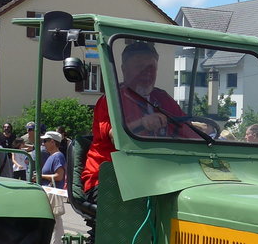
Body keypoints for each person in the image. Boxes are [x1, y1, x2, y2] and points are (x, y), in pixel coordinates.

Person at [82, 41, 197, 196]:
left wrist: (206, 131)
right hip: (110, 179)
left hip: (156, 177)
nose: (147, 73)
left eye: (152, 68)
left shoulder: (162, 98)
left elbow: (187, 129)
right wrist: (143, 123)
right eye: (140, 67)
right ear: (124, 70)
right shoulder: (111, 99)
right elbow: (116, 137)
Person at [41, 131, 67, 244]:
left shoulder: (57, 156)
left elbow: (59, 176)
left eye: (45, 141)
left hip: (53, 191)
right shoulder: (53, 156)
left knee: (55, 221)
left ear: (53, 142)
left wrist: (41, 176)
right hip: (50, 191)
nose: (43, 143)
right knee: (53, 221)